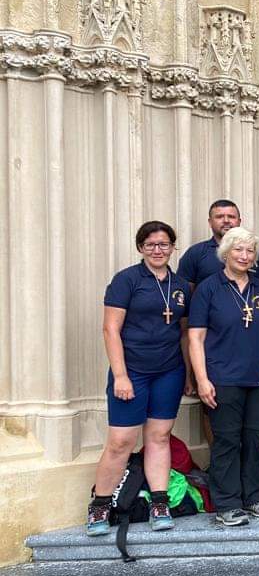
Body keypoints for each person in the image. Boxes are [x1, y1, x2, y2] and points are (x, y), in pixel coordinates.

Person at [87, 221, 193, 536]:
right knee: (121, 441)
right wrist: (120, 375)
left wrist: (188, 373)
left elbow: (184, 333)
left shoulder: (181, 285)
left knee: (159, 437)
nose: (158, 250)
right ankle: (100, 505)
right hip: (132, 372)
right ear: (140, 248)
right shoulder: (126, 280)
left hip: (169, 371)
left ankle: (159, 503)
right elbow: (110, 329)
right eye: (151, 245)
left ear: (173, 247)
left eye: (164, 244)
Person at [188, 227, 259, 526]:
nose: (244, 255)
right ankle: (227, 503)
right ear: (225, 253)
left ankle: (254, 497)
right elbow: (195, 338)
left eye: (250, 250)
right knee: (227, 441)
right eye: (238, 250)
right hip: (223, 377)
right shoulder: (208, 288)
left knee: (258, 439)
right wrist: (202, 379)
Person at [178, 199, 259, 453]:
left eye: (231, 216)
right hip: (217, 357)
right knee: (221, 429)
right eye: (219, 216)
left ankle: (249, 479)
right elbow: (187, 310)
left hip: (255, 363)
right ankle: (221, 471)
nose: (244, 255)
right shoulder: (197, 256)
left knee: (256, 434)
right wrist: (196, 374)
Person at [178, 199, 259, 292]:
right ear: (210, 222)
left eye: (231, 217)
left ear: (239, 221)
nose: (226, 220)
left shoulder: (257, 253)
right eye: (219, 217)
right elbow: (184, 292)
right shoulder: (195, 253)